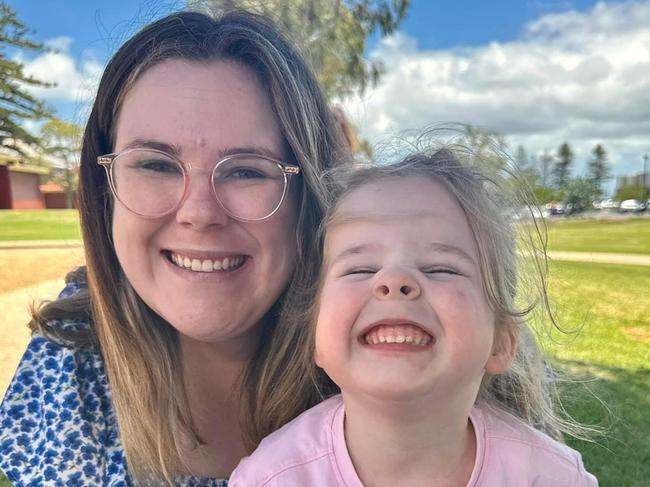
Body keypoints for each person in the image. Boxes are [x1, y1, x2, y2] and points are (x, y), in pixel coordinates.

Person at [0, 10, 347, 486]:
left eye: (247, 170)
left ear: (311, 198)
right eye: (156, 165)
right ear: (105, 189)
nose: (199, 213)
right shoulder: (67, 360)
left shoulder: (395, 349)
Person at [230, 145, 599, 486]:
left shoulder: (550, 476)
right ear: (314, 336)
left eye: (442, 268)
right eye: (360, 269)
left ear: (502, 341)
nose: (394, 280)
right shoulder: (272, 478)